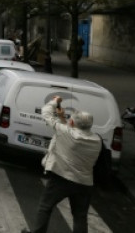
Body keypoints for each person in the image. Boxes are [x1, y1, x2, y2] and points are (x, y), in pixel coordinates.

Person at [23, 96, 102, 233]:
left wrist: (55, 101)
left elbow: (46, 113)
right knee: (80, 216)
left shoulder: (66, 133)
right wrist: (62, 118)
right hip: (84, 183)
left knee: (45, 207)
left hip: (61, 178)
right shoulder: (97, 140)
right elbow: (70, 131)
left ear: (72, 122)